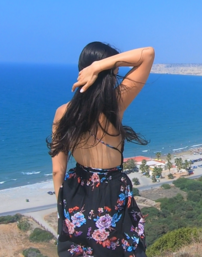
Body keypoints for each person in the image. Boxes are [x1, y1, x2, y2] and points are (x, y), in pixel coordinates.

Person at [48, 42, 155, 257]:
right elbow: (148, 54)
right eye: (115, 72)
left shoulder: (62, 113)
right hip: (111, 193)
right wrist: (101, 66)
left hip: (75, 191)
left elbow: (57, 171)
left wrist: (63, 210)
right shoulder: (114, 105)